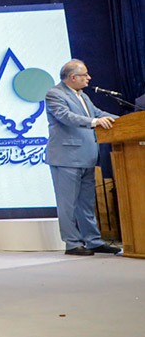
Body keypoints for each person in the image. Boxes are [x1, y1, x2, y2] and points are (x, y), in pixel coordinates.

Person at [45, 61, 121, 255]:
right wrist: (95, 121)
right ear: (73, 77)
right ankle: (72, 243)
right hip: (66, 158)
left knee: (86, 203)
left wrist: (123, 121)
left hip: (87, 156)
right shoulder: (55, 94)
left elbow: (98, 114)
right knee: (68, 204)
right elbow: (66, 117)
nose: (89, 78)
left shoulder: (83, 96)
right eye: (85, 75)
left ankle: (93, 240)